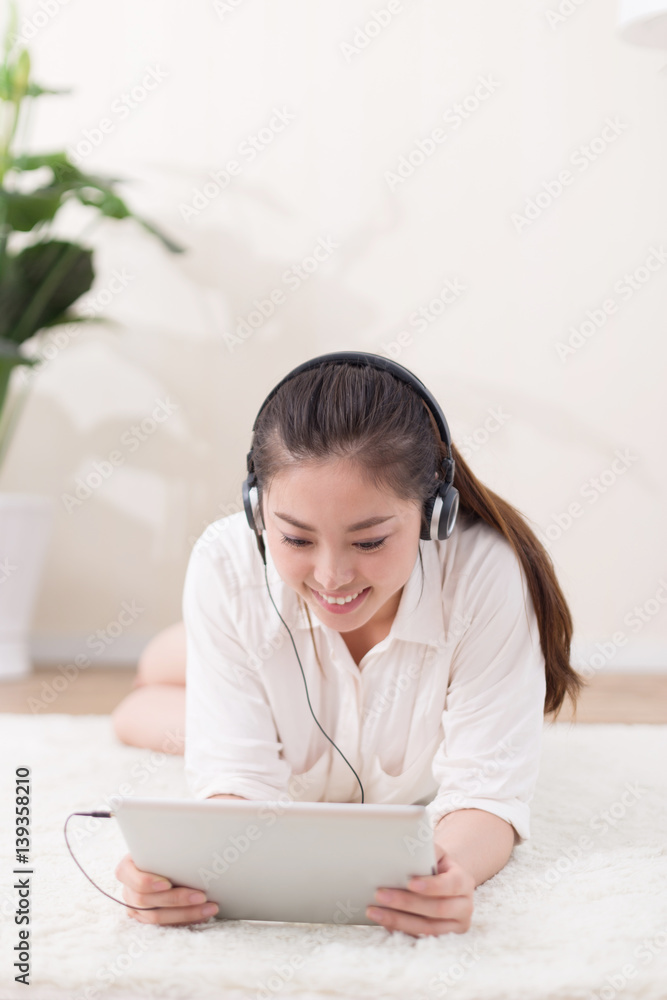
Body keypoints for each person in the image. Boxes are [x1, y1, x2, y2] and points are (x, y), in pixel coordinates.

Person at [111, 353, 585, 937]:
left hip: (303, 691)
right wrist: (188, 872)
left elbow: (486, 796)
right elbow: (238, 784)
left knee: (140, 711)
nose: (332, 575)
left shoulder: (484, 575)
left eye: (369, 542)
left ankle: (183, 660)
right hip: (261, 640)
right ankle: (183, 653)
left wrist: (445, 873)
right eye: (295, 537)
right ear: (258, 514)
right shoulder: (226, 562)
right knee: (148, 681)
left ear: (433, 515)